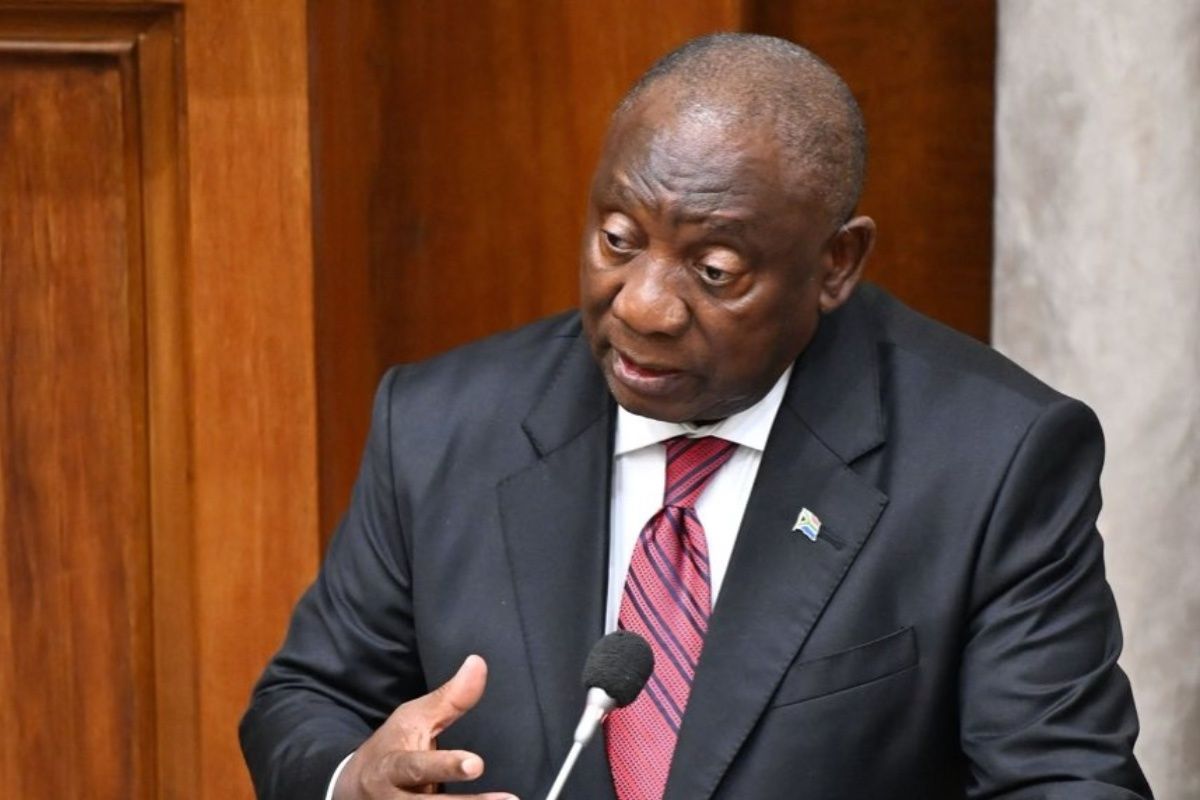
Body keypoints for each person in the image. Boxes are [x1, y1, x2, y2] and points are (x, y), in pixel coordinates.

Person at [240, 33, 1152, 800]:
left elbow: (1065, 778)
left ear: (836, 264)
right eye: (618, 241)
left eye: (714, 271)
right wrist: (355, 779)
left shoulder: (992, 460)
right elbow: (308, 700)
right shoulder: (441, 425)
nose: (643, 306)